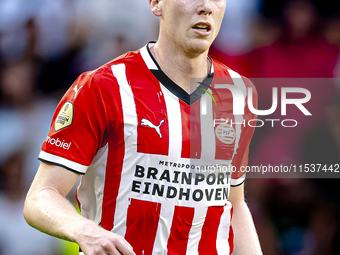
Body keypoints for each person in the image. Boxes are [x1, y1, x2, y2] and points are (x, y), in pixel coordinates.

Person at [23, 0, 263, 254]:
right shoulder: (104, 87)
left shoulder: (238, 93)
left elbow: (233, 203)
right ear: (156, 3)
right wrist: (85, 231)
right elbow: (41, 196)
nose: (205, 6)